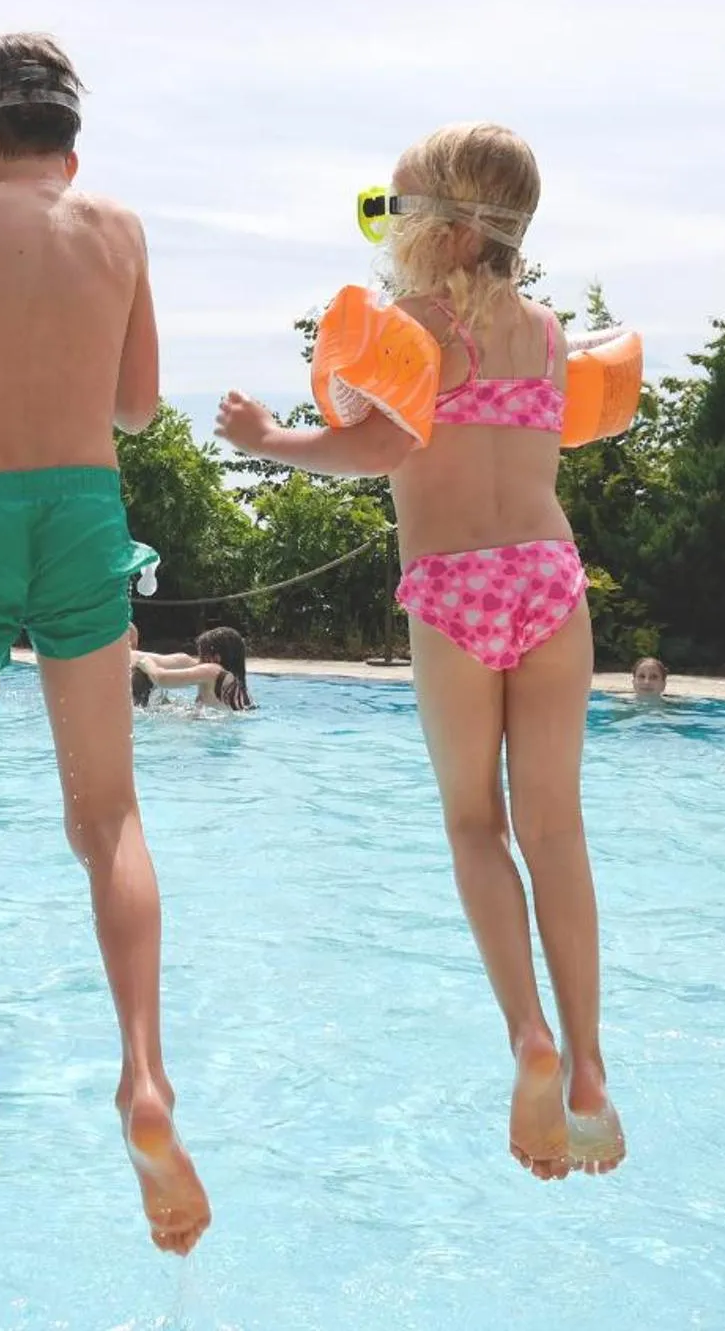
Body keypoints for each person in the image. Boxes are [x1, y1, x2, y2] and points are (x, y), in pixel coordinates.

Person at [216, 121, 622, 1180]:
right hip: (547, 576)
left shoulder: (414, 327)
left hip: (452, 589)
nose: (384, 229)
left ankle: (525, 1035)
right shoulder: (546, 332)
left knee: (473, 820)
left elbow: (379, 447)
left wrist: (268, 441)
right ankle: (587, 1067)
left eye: (390, 210)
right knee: (555, 827)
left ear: (437, 227)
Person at [0, 34, 209, 1265]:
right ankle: (144, 1077)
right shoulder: (119, 228)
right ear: (71, 143)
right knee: (107, 814)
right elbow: (137, 406)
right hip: (83, 515)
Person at [131, 626, 257, 712]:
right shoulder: (236, 685)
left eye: (202, 655)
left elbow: (162, 678)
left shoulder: (212, 670)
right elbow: (188, 663)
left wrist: (146, 663)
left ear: (216, 658)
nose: (199, 660)